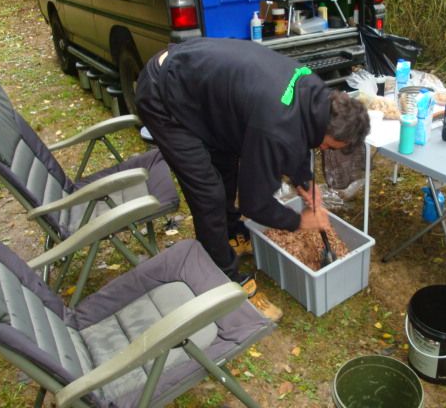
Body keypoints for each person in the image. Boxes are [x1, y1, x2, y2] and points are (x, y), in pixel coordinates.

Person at [135, 38, 370, 322]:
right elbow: (254, 204)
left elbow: (300, 134)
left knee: (227, 164)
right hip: (164, 95)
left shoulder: (317, 93)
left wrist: (305, 182)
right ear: (326, 129)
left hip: (204, 90)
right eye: (329, 146)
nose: (324, 150)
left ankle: (230, 233)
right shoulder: (275, 126)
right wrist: (300, 222)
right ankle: (226, 280)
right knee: (208, 194)